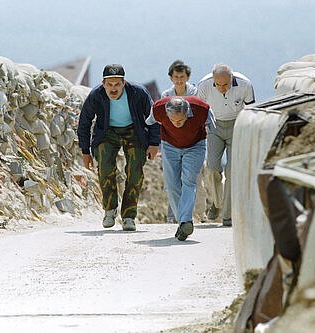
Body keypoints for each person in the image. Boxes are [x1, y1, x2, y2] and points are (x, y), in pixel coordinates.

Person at [77, 64, 160, 231]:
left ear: (123, 83)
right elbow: (84, 123)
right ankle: (110, 209)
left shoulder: (138, 93)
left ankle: (129, 216)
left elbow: (153, 117)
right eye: (109, 84)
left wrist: (154, 143)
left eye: (117, 84)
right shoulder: (96, 95)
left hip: (134, 130)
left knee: (135, 171)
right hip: (107, 132)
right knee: (105, 168)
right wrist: (85, 152)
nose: (113, 89)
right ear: (103, 83)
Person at [146, 96, 214, 241]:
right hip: (170, 146)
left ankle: (186, 221)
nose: (177, 124)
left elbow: (214, 127)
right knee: (171, 186)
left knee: (188, 181)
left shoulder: (202, 109)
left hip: (195, 145)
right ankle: (182, 223)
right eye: (173, 121)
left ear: (187, 112)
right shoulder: (158, 109)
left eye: (181, 120)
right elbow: (149, 123)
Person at [197, 64, 255, 227]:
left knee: (232, 170)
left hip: (237, 124)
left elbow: (251, 111)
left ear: (232, 79)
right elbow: (198, 109)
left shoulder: (245, 84)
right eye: (218, 84)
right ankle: (217, 203)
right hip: (214, 125)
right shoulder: (204, 85)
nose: (222, 88)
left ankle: (227, 214)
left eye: (225, 85)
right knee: (212, 168)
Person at [160, 60, 210, 224]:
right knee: (173, 180)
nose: (179, 80)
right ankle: (176, 216)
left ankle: (200, 213)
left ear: (187, 77)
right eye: (176, 77)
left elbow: (204, 114)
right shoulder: (166, 96)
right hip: (172, 142)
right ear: (171, 78)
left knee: (194, 179)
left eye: (182, 77)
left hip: (194, 142)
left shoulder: (195, 94)